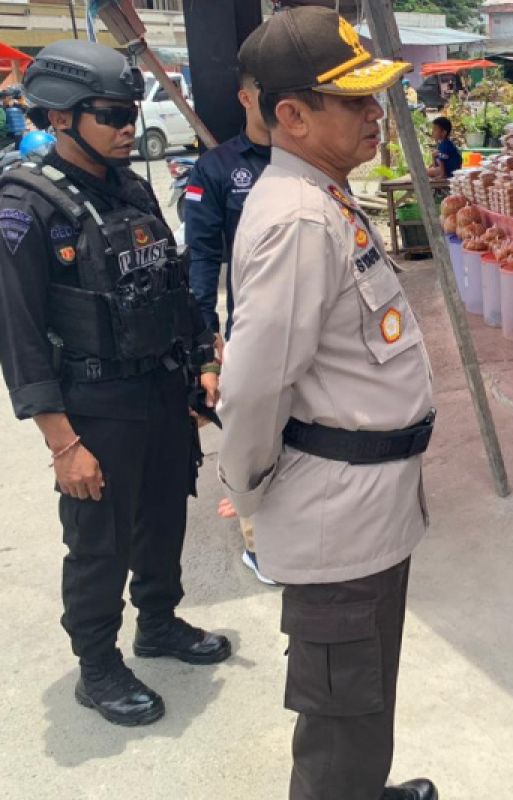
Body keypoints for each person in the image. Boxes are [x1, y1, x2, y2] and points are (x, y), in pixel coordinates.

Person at [219, 7, 436, 800]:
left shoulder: (324, 195)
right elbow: (252, 388)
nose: (374, 114)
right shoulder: (300, 218)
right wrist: (246, 493)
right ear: (292, 115)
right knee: (340, 727)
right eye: (355, 102)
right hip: (335, 519)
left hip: (368, 512)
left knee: (363, 699)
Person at [0, 39, 230, 727]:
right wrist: (63, 442)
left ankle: (157, 622)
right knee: (99, 540)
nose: (128, 124)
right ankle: (97, 663)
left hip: (160, 390)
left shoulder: (130, 186)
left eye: (130, 110)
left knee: (163, 516)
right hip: (94, 406)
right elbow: (17, 336)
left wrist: (201, 361)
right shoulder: (26, 205)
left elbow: (169, 278)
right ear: (63, 118)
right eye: (110, 113)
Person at [184, 25, 275, 585]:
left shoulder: (306, 159)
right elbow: (201, 260)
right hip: (249, 327)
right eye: (267, 89)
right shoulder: (217, 169)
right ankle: (260, 542)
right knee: (252, 431)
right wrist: (206, 344)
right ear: (246, 97)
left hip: (313, 322)